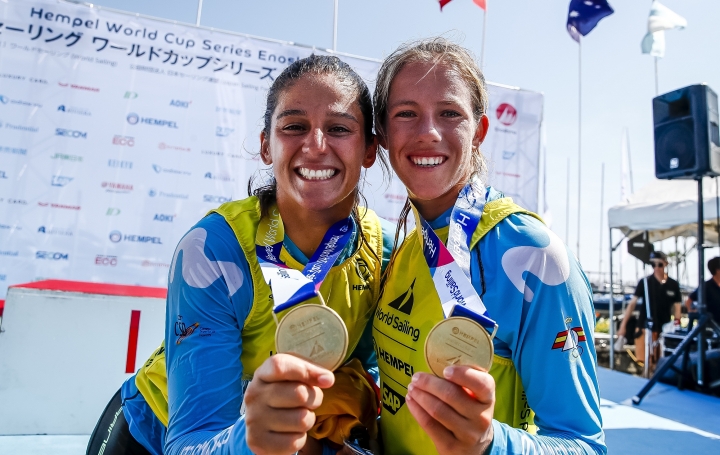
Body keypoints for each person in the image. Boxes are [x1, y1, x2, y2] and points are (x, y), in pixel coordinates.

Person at [86, 55, 395, 455]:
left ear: (369, 149)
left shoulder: (384, 249)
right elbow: (190, 441)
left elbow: (367, 368)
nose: (316, 145)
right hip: (151, 435)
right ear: (267, 146)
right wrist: (250, 438)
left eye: (339, 128)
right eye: (294, 127)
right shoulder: (214, 249)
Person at [370, 38, 605, 454]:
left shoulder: (534, 257)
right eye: (406, 113)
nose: (428, 132)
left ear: (478, 131)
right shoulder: (409, 247)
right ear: (384, 135)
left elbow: (585, 445)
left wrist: (490, 444)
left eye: (450, 113)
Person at [617, 251, 682, 367]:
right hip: (645, 327)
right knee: (646, 363)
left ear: (665, 264)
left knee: (662, 362)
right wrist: (623, 326)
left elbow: (678, 307)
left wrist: (677, 325)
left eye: (659, 265)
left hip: (665, 328)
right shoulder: (645, 282)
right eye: (653, 265)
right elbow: (632, 304)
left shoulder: (673, 284)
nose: (656, 268)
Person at [685, 256, 720, 326]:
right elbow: (689, 300)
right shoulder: (706, 286)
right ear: (717, 270)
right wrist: (693, 312)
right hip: (710, 327)